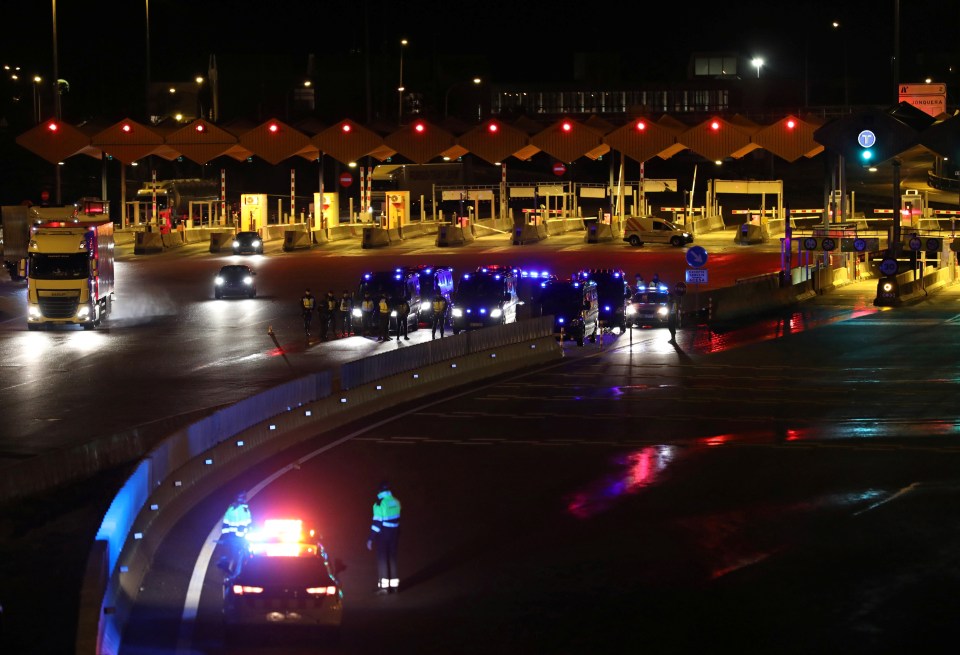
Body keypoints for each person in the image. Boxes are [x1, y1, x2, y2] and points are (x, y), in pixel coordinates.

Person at [366, 482, 402, 594]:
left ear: (379, 491)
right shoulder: (396, 501)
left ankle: (384, 588)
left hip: (383, 535)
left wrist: (371, 539)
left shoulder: (379, 504)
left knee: (382, 560)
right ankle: (394, 587)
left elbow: (377, 523)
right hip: (394, 534)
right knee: (392, 559)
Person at [220, 492, 253, 576]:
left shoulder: (231, 508)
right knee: (241, 555)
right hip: (240, 537)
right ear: (244, 499)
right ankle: (239, 573)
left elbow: (225, 523)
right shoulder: (244, 510)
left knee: (232, 553)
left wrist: (225, 535)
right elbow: (244, 524)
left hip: (230, 536)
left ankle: (227, 566)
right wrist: (241, 536)